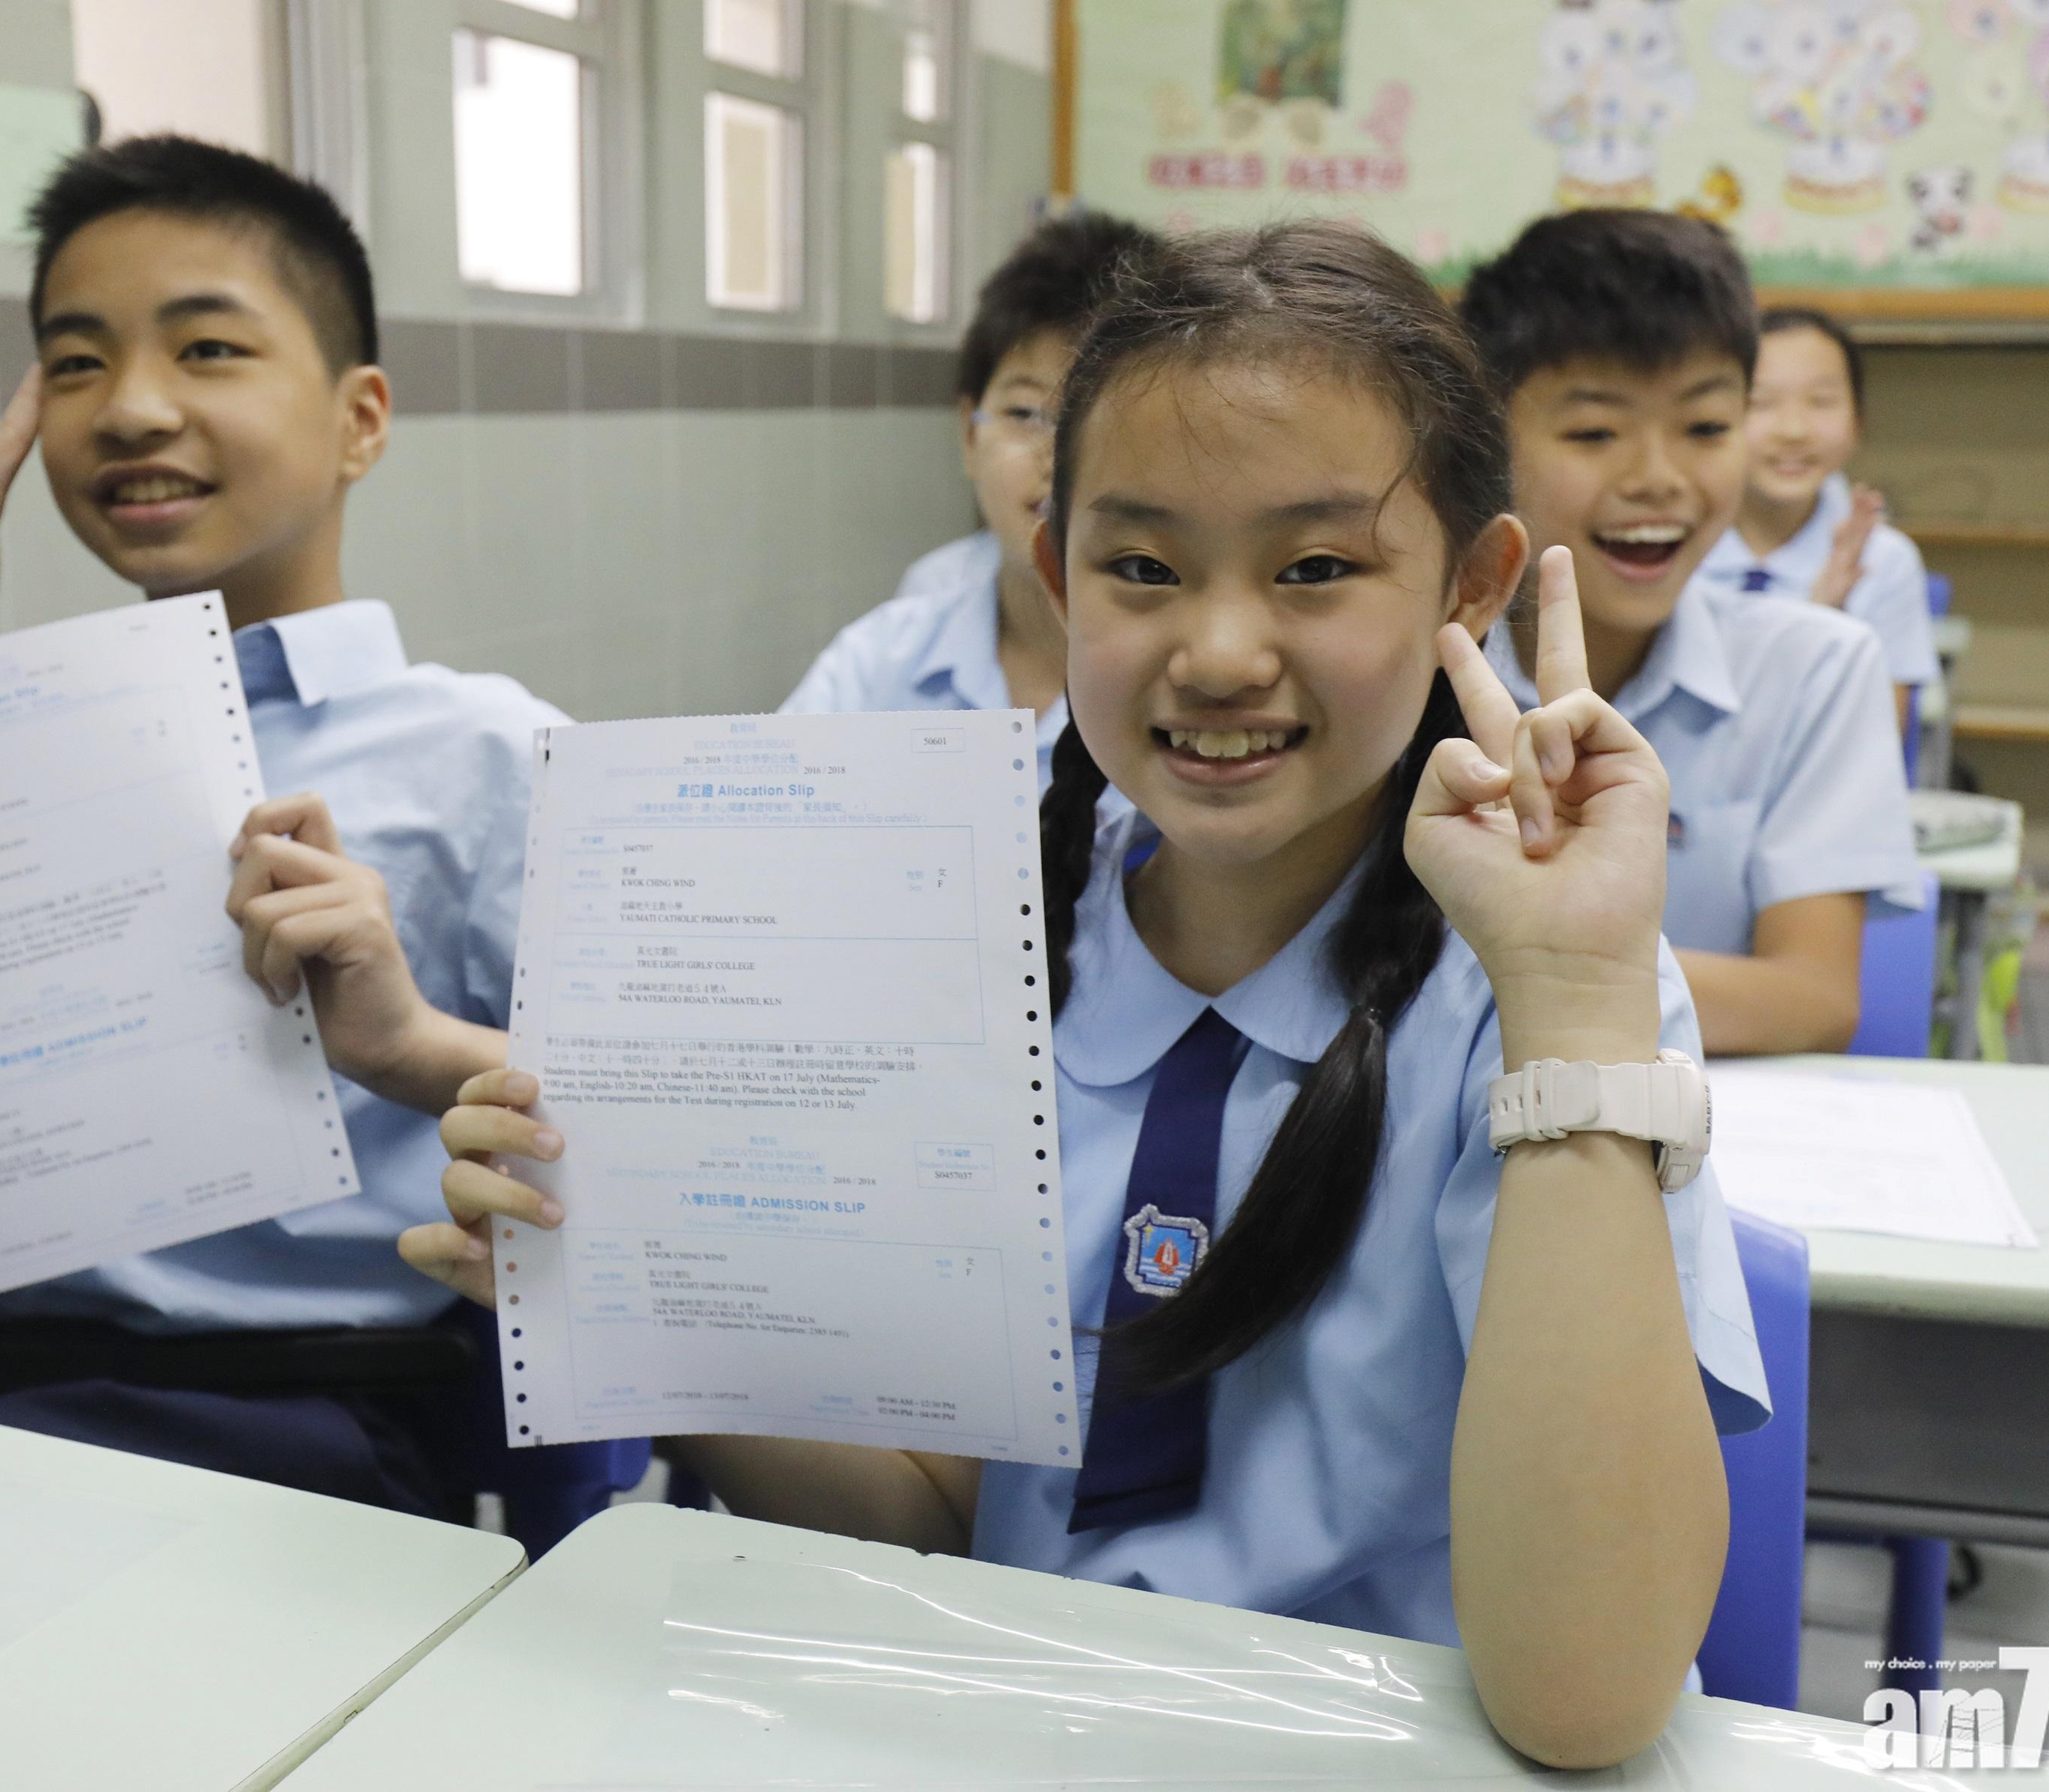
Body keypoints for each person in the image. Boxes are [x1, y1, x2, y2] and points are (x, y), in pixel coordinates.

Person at [408, 221, 1769, 1770]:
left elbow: (1583, 1700)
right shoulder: (941, 940)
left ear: (1474, 582)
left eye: (1316, 568)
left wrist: (1580, 1002)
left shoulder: (1545, 990)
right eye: (1143, 567)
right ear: (1061, 578)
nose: (1219, 649)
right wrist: (637, 1303)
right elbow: (933, 1525)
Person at [0, 135, 641, 1553]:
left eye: (210, 349)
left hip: (300, 1468)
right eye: (75, 363)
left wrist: (410, 1037)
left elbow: (662, 1167)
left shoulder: (490, 757)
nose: (133, 410)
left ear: (360, 420)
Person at [1460, 212, 1921, 1058]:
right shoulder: (1419, 666)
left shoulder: (1815, 666)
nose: (1658, 479)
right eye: (1595, 432)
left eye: (1705, 427)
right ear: (1491, 438)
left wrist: (1531, 966)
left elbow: (1814, 996)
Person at [781, 212, 1156, 749]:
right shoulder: (881, 662)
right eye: (1026, 413)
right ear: (968, 435)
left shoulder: (1207, 678)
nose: (1057, 456)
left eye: (1100, 417)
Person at [1693, 306, 1938, 732]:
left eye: (1822, 402)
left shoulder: (1885, 562)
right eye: (1761, 402)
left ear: (1858, 421)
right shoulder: (1673, 547)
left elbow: (1877, 747)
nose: (1793, 430)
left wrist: (1828, 627)